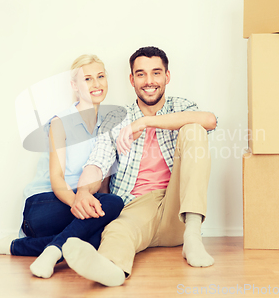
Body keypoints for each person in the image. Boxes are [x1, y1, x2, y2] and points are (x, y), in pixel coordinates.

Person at [61, 46, 217, 286]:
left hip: (178, 208)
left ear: (167, 76)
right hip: (135, 205)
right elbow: (97, 161)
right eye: (141, 74)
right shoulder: (116, 118)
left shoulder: (181, 106)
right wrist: (82, 191)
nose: (149, 81)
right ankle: (112, 270)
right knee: (117, 231)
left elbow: (209, 120)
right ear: (132, 80)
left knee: (194, 129)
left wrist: (144, 122)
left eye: (156, 73)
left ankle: (193, 238)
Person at [0, 54, 124, 279]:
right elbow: (57, 179)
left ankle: (18, 247)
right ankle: (52, 249)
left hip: (80, 208)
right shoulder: (60, 122)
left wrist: (102, 212)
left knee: (108, 222)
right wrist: (80, 203)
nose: (96, 84)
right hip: (44, 206)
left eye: (100, 76)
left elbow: (104, 183)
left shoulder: (108, 125)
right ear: (75, 86)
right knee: (110, 207)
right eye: (87, 79)